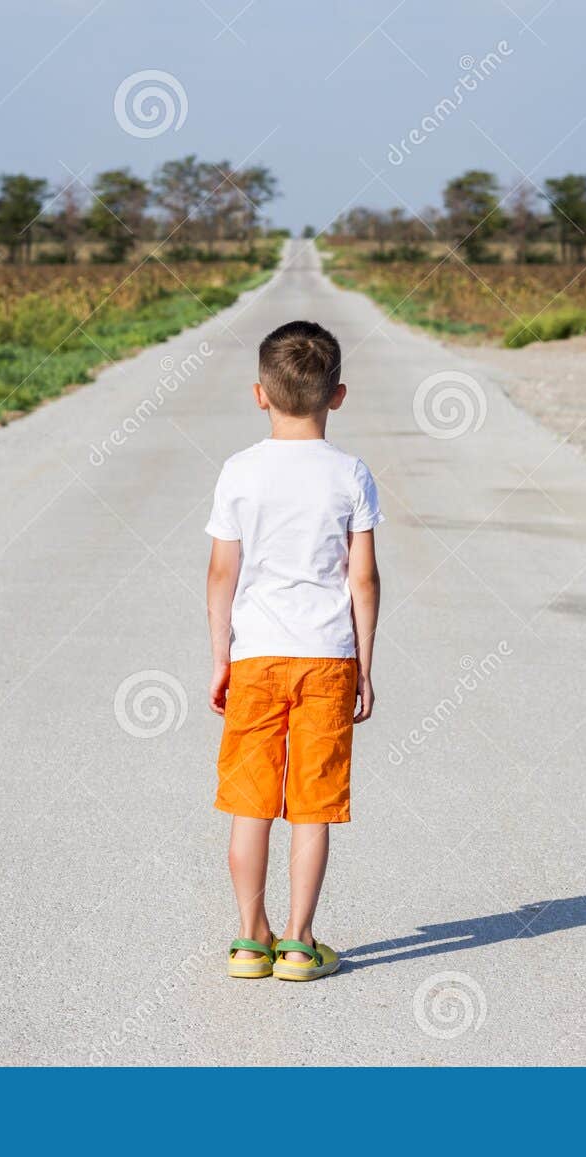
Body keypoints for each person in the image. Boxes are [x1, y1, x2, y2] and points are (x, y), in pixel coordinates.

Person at [204, 320, 382, 981]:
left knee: (250, 803)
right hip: (328, 657)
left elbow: (222, 574)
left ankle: (251, 939)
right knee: (312, 805)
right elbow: (361, 578)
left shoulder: (239, 472)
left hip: (256, 658)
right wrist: (364, 662)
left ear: (260, 394)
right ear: (337, 395)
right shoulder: (351, 474)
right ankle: (300, 943)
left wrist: (222, 654)